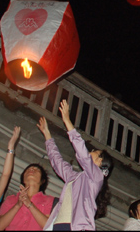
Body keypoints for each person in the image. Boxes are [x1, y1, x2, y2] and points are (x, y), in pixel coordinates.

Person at [38, 99, 114, 231]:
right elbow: (58, 162)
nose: (90, 152)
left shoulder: (97, 177)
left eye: (94, 152)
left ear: (101, 162)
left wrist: (67, 121)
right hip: (58, 225)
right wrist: (47, 135)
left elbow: (83, 154)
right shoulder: (74, 177)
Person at [0, 163, 56, 230]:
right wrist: (17, 205)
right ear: (23, 179)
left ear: (42, 181)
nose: (32, 169)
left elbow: (49, 227)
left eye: (37, 169)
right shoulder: (11, 199)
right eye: (28, 169)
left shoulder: (50, 200)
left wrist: (30, 205)